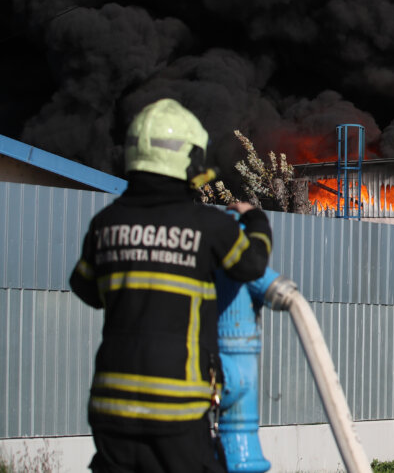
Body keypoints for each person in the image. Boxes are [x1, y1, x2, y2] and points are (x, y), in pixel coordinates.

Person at [69, 98, 273, 473]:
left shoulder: (106, 223)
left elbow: (84, 288)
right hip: (177, 407)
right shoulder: (209, 226)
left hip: (111, 407)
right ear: (191, 160)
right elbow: (252, 263)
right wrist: (257, 220)